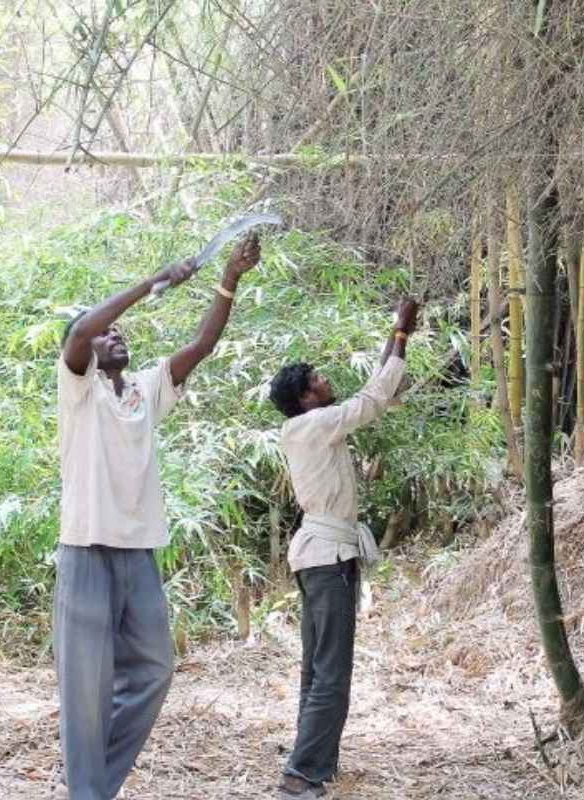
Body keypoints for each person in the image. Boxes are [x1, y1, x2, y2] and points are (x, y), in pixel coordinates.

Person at [54, 233, 261, 800]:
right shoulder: (78, 389)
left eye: (116, 331)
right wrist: (152, 283)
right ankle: (88, 793)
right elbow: (80, 332)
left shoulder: (144, 389)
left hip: (138, 554)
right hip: (86, 550)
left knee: (154, 670)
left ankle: (94, 788)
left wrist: (229, 279)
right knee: (86, 690)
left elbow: (202, 345)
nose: (113, 335)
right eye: (105, 334)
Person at [269, 297, 420, 799]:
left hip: (318, 557)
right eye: (317, 379)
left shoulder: (307, 426)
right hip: (328, 559)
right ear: (307, 398)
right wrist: (402, 333)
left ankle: (315, 763)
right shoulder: (315, 425)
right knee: (332, 672)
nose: (325, 380)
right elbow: (372, 399)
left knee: (317, 669)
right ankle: (301, 774)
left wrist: (397, 336)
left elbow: (375, 392)